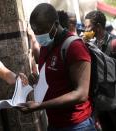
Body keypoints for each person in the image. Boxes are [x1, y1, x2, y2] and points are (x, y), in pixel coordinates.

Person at [19, 3, 96, 131]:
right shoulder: (45, 46)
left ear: (55, 25)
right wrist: (37, 80)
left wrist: (40, 105)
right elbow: (56, 79)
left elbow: (81, 94)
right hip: (55, 124)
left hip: (77, 125)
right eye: (35, 31)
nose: (38, 35)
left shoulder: (75, 47)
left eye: (41, 31)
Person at [84, 10, 116, 131]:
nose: (85, 30)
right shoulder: (92, 45)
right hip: (100, 100)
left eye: (88, 27)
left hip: (113, 98)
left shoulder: (113, 43)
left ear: (98, 27)